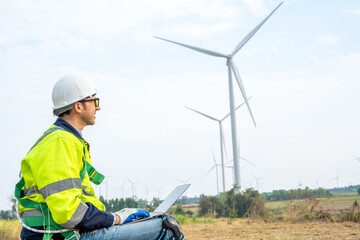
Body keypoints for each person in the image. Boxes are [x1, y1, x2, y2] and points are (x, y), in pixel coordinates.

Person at [15, 76, 182, 240]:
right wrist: (117, 219)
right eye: (94, 101)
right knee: (166, 226)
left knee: (147, 222)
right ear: (78, 106)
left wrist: (113, 217)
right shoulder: (60, 142)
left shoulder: (66, 140)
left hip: (68, 231)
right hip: (62, 235)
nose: (98, 108)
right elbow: (69, 213)